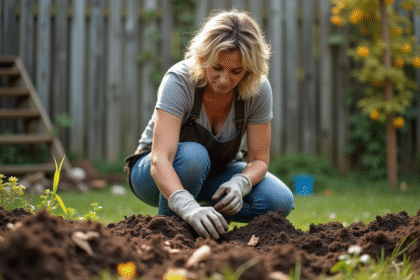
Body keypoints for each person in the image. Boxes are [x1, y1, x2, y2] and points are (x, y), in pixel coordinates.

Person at [125, 9, 295, 240]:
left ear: (250, 69)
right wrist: (187, 206)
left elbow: (259, 160)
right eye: (217, 67)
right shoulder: (179, 80)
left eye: (236, 71)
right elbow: (160, 158)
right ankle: (171, 234)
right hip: (153, 175)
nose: (225, 80)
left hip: (216, 174)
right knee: (194, 155)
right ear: (203, 57)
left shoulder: (258, 90)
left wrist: (240, 183)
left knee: (279, 201)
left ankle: (208, 220)